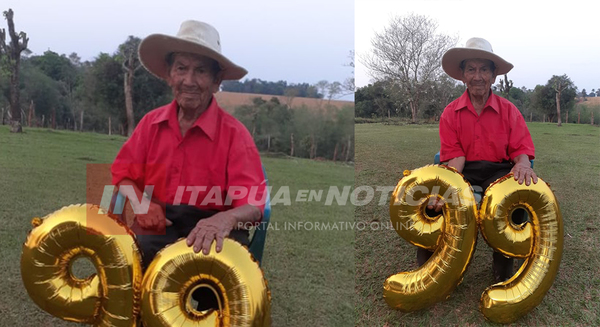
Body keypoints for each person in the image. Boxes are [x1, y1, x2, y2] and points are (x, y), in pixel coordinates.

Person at [110, 20, 266, 276]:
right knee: (131, 266)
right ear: (170, 75)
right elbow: (122, 173)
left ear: (216, 81)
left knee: (224, 278)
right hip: (160, 221)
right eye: (181, 68)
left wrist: (223, 220)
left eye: (201, 71)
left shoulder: (235, 134)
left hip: (216, 224)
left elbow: (253, 204)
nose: (189, 80)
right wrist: (141, 203)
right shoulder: (151, 123)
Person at [421, 37, 537, 282]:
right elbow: (455, 158)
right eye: (471, 69)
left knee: (515, 202)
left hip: (500, 171)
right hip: (463, 170)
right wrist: (446, 187)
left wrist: (524, 164)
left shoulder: (509, 110)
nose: (478, 76)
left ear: (494, 76)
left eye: (484, 69)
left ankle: (504, 268)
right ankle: (430, 268)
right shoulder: (450, 113)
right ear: (462, 75)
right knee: (432, 203)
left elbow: (520, 150)